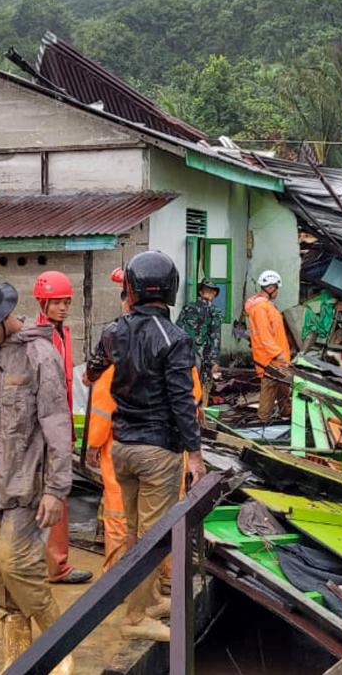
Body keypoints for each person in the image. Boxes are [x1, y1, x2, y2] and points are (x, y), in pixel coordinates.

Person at [86, 251, 206, 643]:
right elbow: (182, 401)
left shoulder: (113, 331)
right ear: (170, 289)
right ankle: (135, 617)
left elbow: (91, 371)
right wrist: (196, 454)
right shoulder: (175, 338)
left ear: (132, 289)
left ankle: (149, 597)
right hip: (158, 452)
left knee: (136, 530)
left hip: (122, 447)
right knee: (155, 537)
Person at [0, 279, 75, 675]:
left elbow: (58, 426)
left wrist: (56, 490)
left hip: (28, 483)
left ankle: (60, 643)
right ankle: (18, 655)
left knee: (17, 565)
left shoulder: (40, 355)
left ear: (5, 317)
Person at [33, 271, 93, 586]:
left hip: (59, 426)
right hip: (41, 429)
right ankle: (46, 565)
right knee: (42, 495)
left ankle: (57, 565)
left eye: (66, 302)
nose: (62, 307)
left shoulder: (64, 334)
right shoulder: (35, 336)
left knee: (59, 496)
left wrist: (68, 432)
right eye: (56, 302)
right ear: (43, 302)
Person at [244, 270, 292, 421]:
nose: (277, 292)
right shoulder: (260, 308)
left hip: (276, 359)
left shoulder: (266, 306)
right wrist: (278, 355)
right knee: (269, 389)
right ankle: (263, 421)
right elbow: (265, 337)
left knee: (283, 388)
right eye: (277, 288)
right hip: (271, 360)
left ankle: (287, 415)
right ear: (271, 288)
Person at [176, 278, 222, 398]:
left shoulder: (187, 307)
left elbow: (177, 329)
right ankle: (199, 412)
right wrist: (215, 361)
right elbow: (215, 336)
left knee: (184, 383)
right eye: (210, 291)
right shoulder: (214, 311)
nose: (211, 294)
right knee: (202, 385)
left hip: (184, 351)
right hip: (203, 354)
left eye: (212, 292)